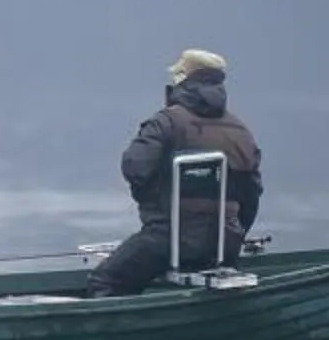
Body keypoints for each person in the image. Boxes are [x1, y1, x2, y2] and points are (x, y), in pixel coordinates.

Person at [89, 49, 263, 296]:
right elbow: (252, 197)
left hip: (167, 240)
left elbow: (135, 168)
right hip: (225, 244)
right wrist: (233, 234)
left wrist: (153, 204)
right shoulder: (241, 131)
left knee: (105, 281)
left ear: (181, 79)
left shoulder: (166, 122)